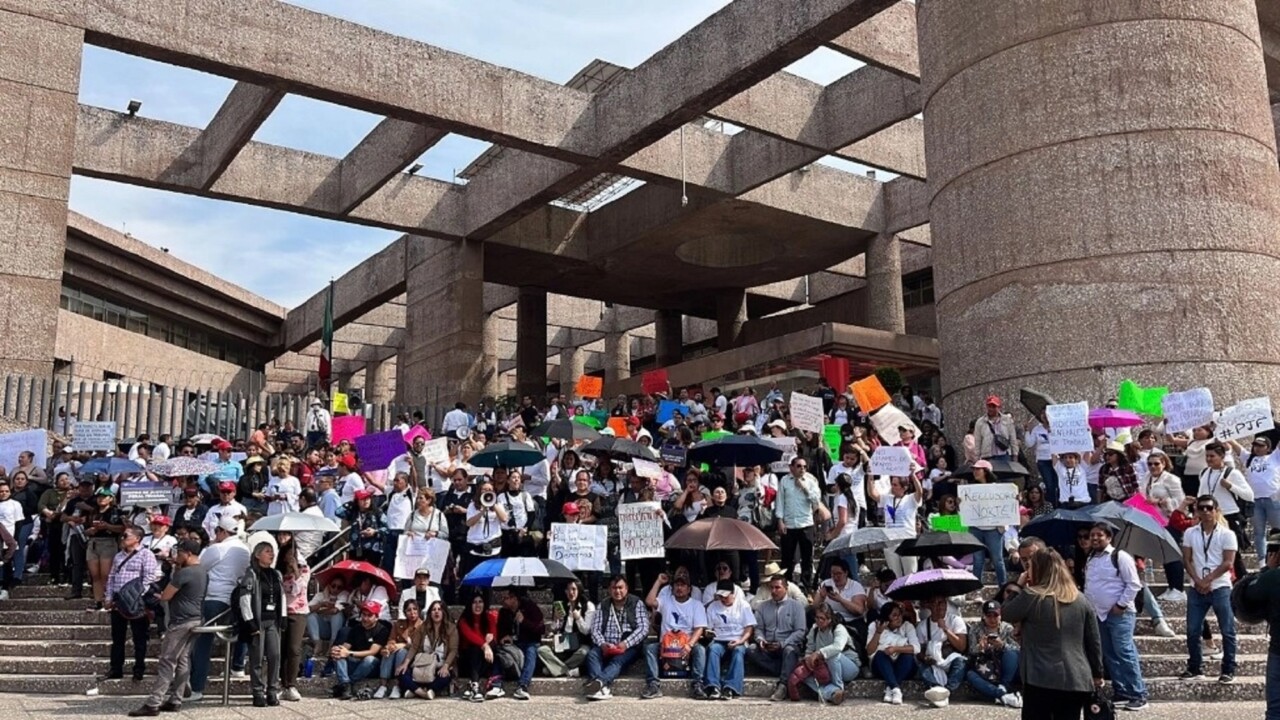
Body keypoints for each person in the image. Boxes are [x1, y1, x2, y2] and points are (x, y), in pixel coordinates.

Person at [1003, 548, 1104, 720]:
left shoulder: (1032, 596)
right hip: (1076, 676)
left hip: (1040, 676)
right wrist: (1097, 672)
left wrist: (1019, 585)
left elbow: (1005, 612)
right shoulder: (1080, 599)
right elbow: (1093, 640)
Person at [127, 537, 206, 717]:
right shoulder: (202, 571)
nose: (176, 556)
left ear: (188, 553)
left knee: (167, 660)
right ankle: (175, 699)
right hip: (196, 618)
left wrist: (161, 590)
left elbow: (166, 596)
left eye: (179, 553)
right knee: (183, 660)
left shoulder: (185, 573)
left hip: (181, 621)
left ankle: (154, 702)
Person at [1083, 522, 1147, 711]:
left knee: (1124, 652)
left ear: (1109, 537)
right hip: (1098, 615)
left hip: (1120, 614)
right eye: (1092, 535)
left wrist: (1120, 604)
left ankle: (1138, 693)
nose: (1094, 538)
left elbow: (1134, 584)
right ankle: (1122, 691)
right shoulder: (1091, 558)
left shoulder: (1120, 556)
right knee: (1109, 654)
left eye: (1099, 535)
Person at [188, 516, 251, 701]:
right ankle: (237, 667)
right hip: (234, 599)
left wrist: (212, 545)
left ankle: (197, 688)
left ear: (222, 531)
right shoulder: (245, 550)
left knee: (202, 643)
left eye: (216, 531)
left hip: (214, 597)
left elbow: (197, 565)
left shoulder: (217, 548)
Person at [1180, 495, 1238, 684]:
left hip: (1220, 585)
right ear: (1196, 510)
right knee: (1192, 629)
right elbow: (1186, 559)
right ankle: (1195, 666)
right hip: (1197, 585)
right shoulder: (1190, 532)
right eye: (1201, 508)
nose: (1205, 511)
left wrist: (1208, 580)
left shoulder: (1227, 534)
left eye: (1209, 508)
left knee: (1227, 629)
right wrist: (1197, 580)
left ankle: (1228, 668)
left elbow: (1228, 562)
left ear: (1216, 510)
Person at [103, 526, 162, 682]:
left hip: (136, 601)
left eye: (126, 536)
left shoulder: (146, 554)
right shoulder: (118, 557)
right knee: (117, 637)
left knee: (139, 638)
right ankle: (116, 668)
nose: (122, 538)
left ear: (137, 538)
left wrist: (136, 595)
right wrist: (108, 596)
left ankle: (139, 669)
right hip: (118, 600)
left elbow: (149, 578)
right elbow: (111, 577)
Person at [642, 572, 708, 700]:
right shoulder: (666, 601)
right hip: (666, 644)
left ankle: (697, 684)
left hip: (686, 644)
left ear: (689, 589)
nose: (679, 588)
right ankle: (653, 684)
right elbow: (649, 601)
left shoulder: (696, 605)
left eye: (683, 585)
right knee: (650, 648)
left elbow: (699, 628)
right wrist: (659, 581)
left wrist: (689, 645)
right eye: (676, 585)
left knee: (700, 649)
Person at [584, 575, 649, 701]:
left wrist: (625, 643)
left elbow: (643, 628)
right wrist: (603, 644)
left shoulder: (636, 603)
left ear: (626, 589)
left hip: (629, 646)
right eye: (614, 588)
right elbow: (595, 629)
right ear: (609, 589)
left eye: (620, 588)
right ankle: (602, 688)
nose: (617, 591)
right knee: (592, 655)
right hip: (606, 645)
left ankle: (599, 682)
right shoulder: (603, 605)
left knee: (617, 661)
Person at [238, 539, 285, 707]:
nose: (271, 554)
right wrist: (250, 621)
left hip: (272, 620)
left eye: (272, 551)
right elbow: (245, 599)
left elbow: (282, 597)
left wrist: (283, 616)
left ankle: (272, 690)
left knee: (274, 655)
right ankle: (257, 692)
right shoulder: (251, 574)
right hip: (258, 621)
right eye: (267, 551)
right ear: (258, 555)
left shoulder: (276, 574)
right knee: (256, 658)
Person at [748, 574, 807, 701]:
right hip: (768, 645)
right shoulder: (763, 606)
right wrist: (760, 640)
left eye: (777, 588)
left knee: (790, 650)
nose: (773, 591)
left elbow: (800, 631)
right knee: (751, 649)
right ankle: (784, 669)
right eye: (771, 588)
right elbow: (758, 628)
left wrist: (783, 643)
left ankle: (783, 685)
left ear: (785, 588)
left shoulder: (796, 606)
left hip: (787, 644)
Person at [1242, 529, 1280, 720]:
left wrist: (1267, 569)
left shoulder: (1272, 577)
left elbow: (1246, 595)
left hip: (1278, 649)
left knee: (1275, 708)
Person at [792, 603, 858, 704]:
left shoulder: (838, 628)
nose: (819, 621)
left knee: (833, 655)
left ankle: (838, 686)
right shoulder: (814, 630)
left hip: (848, 666)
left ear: (829, 619)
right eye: (817, 617)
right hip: (826, 667)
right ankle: (833, 693)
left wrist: (819, 653)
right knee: (804, 675)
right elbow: (809, 649)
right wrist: (808, 660)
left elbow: (838, 647)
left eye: (822, 618)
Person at [702, 579, 754, 700]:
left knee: (738, 652)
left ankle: (731, 687)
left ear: (733, 593)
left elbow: (749, 628)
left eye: (725, 596)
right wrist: (708, 634)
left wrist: (740, 641)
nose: (723, 599)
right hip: (719, 639)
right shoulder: (713, 607)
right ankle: (713, 685)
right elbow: (708, 628)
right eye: (720, 596)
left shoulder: (743, 605)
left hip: (738, 639)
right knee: (713, 649)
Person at [965, 599, 1023, 708]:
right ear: (984, 616)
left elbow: (1018, 649)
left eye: (995, 616)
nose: (992, 619)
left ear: (1000, 616)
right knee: (970, 675)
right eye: (989, 616)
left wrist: (1002, 645)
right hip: (985, 669)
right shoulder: (975, 629)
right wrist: (980, 648)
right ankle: (1002, 695)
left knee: (1010, 653)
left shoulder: (1007, 628)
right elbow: (971, 652)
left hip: (1005, 668)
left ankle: (1003, 686)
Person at [775, 457, 821, 589]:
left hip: (806, 523)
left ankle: (806, 584)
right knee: (787, 557)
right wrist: (780, 520)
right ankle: (786, 583)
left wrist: (805, 487)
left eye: (805, 467)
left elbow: (816, 500)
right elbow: (780, 501)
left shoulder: (810, 480)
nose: (802, 469)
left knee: (807, 557)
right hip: (789, 523)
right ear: (792, 468)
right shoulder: (784, 480)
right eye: (799, 466)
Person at [331, 600, 391, 700]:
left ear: (376, 617)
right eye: (363, 615)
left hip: (372, 666)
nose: (365, 618)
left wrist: (349, 653)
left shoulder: (382, 630)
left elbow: (373, 651)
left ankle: (347, 683)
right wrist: (338, 650)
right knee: (338, 654)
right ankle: (346, 685)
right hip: (356, 662)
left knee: (369, 659)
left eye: (369, 615)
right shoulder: (356, 629)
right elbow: (346, 646)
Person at [916, 595, 968, 708]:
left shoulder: (955, 620)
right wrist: (925, 658)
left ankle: (947, 691)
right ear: (929, 605)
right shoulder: (922, 626)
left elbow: (961, 647)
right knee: (921, 666)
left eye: (942, 602)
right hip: (933, 661)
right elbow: (918, 651)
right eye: (935, 603)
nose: (940, 606)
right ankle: (935, 688)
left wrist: (945, 629)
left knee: (961, 662)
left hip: (950, 658)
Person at [492, 588, 545, 700]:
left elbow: (540, 630)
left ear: (514, 598)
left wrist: (524, 621)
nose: (503, 600)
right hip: (514, 645)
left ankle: (523, 685)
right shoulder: (504, 612)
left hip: (530, 642)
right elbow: (501, 632)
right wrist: (506, 637)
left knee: (531, 651)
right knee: (499, 652)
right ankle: (496, 684)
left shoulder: (531, 608)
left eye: (506, 598)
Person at [276, 533, 309, 702]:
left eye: (292, 554)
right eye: (287, 554)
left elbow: (298, 590)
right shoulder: (278, 573)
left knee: (294, 648)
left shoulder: (304, 569)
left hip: (298, 611)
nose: (290, 557)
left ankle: (292, 684)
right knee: (281, 648)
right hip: (282, 611)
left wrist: (295, 569)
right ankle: (282, 683)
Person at [399, 600, 456, 699]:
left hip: (440, 664)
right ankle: (423, 693)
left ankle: (416, 690)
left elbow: (453, 650)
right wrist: (405, 663)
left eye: (439, 609)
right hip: (422, 664)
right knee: (402, 673)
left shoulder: (451, 628)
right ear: (430, 613)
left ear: (444, 612)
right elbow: (414, 647)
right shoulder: (423, 627)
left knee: (445, 676)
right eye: (434, 610)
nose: (437, 612)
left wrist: (446, 666)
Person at [538, 579, 594, 678]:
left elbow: (586, 631)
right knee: (542, 650)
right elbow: (554, 629)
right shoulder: (563, 605)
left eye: (574, 589)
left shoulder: (588, 606)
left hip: (580, 644)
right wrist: (556, 620)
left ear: (579, 590)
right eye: (568, 590)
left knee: (584, 652)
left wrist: (578, 618)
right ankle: (566, 670)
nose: (571, 593)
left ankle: (554, 669)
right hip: (563, 643)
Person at [866, 601, 919, 705]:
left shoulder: (907, 626)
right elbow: (870, 651)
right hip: (883, 666)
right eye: (894, 615)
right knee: (880, 654)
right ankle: (895, 688)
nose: (899, 618)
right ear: (886, 618)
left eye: (899, 615)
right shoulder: (875, 625)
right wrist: (878, 632)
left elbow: (916, 648)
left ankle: (891, 687)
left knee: (908, 655)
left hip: (904, 667)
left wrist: (896, 649)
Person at [1240, 436, 1280, 564]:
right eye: (1255, 445)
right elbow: (1233, 444)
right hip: (1255, 500)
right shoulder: (1248, 458)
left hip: (1272, 498)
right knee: (1258, 532)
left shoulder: (1274, 457)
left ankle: (1277, 558)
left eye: (1261, 446)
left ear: (1268, 447)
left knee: (1277, 530)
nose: (1257, 448)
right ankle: (1262, 560)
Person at [377, 599, 422, 699]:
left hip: (412, 656)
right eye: (409, 610)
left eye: (415, 609)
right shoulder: (398, 624)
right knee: (389, 651)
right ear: (405, 612)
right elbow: (391, 639)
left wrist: (402, 645)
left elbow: (418, 645)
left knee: (401, 651)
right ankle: (383, 685)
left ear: (419, 611)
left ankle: (397, 685)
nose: (412, 613)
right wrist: (390, 647)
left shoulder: (422, 626)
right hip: (396, 654)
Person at [456, 593, 498, 702]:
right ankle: (475, 685)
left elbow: (493, 636)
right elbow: (471, 637)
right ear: (470, 604)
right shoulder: (463, 621)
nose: (477, 605)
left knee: (493, 646)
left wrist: (489, 644)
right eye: (474, 602)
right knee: (475, 649)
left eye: (480, 602)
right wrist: (484, 645)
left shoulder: (489, 617)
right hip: (467, 662)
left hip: (484, 662)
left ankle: (472, 685)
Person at [307, 575, 349, 674]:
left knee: (337, 615)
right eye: (333, 586)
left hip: (337, 629)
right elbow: (307, 609)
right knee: (310, 616)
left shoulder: (344, 594)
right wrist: (321, 604)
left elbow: (335, 610)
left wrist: (321, 610)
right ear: (329, 585)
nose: (335, 589)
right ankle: (317, 643)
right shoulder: (321, 595)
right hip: (324, 628)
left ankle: (332, 644)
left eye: (339, 587)